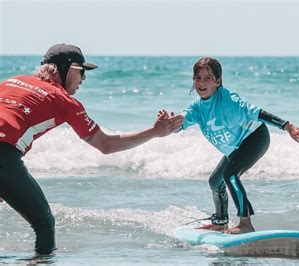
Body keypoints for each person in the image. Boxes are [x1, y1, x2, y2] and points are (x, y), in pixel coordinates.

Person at [0, 43, 183, 255]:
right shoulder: (65, 101)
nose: (84, 79)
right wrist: (154, 132)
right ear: (66, 68)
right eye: (81, 71)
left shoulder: (11, 81)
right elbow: (106, 144)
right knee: (44, 224)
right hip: (4, 155)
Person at [180, 57, 299, 234]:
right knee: (215, 181)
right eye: (197, 78)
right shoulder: (196, 108)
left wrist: (287, 126)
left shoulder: (228, 100)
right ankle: (220, 222)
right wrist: (165, 123)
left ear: (218, 81)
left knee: (230, 174)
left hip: (255, 137)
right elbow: (178, 124)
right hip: (235, 147)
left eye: (207, 78)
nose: (201, 82)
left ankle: (246, 224)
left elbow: (257, 113)